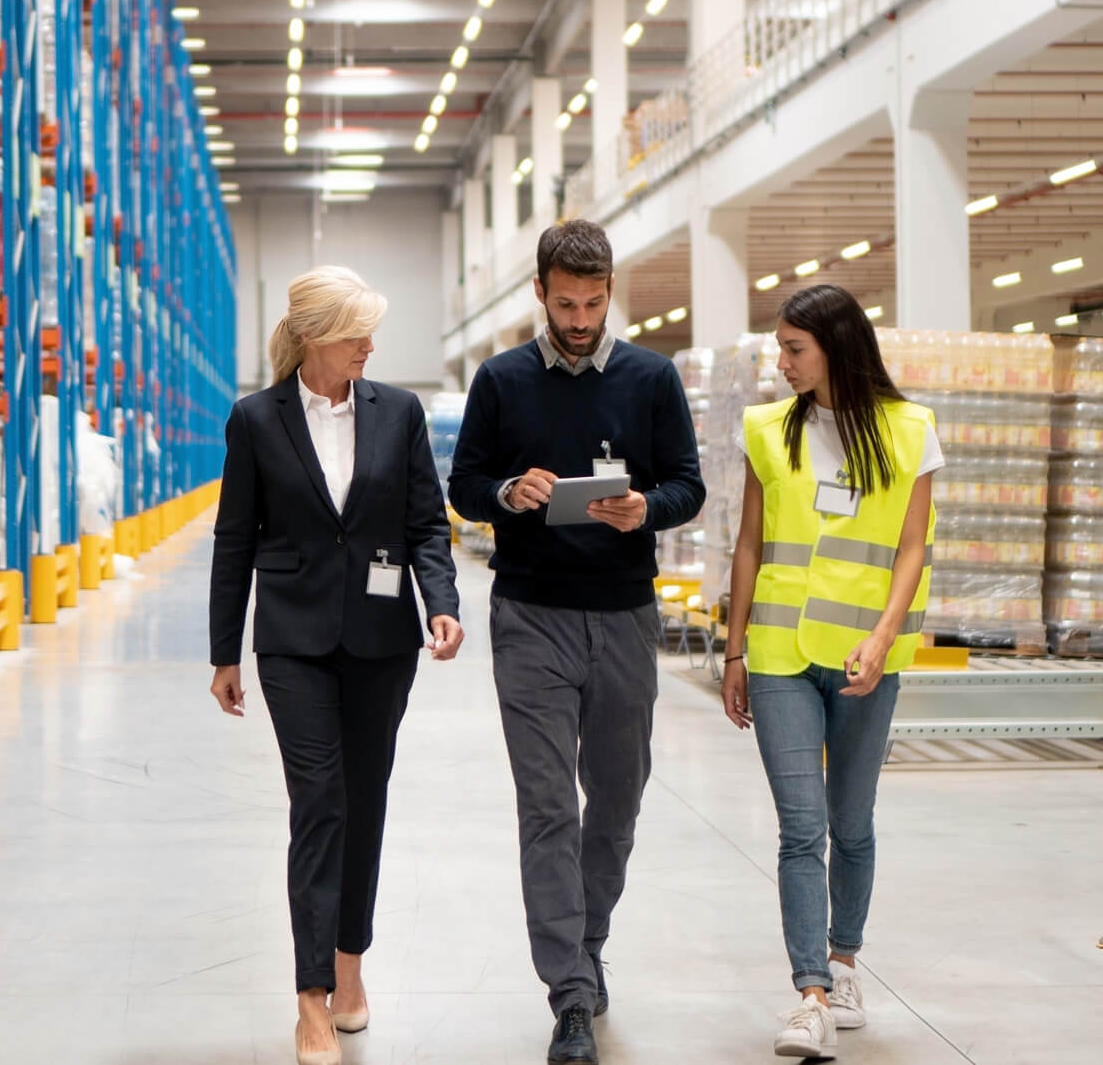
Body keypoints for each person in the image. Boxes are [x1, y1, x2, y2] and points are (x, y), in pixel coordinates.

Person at [448, 219, 705, 1065]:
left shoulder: (651, 379)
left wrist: (645, 509)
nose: (582, 320)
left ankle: (588, 946)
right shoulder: (500, 380)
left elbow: (688, 486)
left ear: (609, 293)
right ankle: (567, 993)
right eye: (566, 305)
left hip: (624, 615)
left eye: (594, 304)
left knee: (618, 800)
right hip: (531, 618)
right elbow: (465, 485)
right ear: (540, 293)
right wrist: (507, 493)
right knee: (549, 806)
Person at [207, 265, 464, 1065]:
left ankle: (351, 962)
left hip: (383, 640)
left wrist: (442, 600)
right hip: (293, 640)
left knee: (364, 802)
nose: (370, 346)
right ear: (316, 336)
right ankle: (311, 999)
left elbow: (426, 523)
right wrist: (223, 652)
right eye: (357, 333)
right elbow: (234, 539)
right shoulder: (256, 419)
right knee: (319, 803)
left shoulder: (400, 412)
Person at [721, 283, 938, 1059]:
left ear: (836, 347)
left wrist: (882, 638)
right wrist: (734, 649)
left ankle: (844, 965)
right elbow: (750, 544)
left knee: (851, 823)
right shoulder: (766, 429)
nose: (780, 363)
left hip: (864, 661)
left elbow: (912, 548)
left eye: (794, 349)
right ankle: (810, 992)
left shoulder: (911, 430)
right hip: (780, 655)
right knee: (800, 827)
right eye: (779, 348)